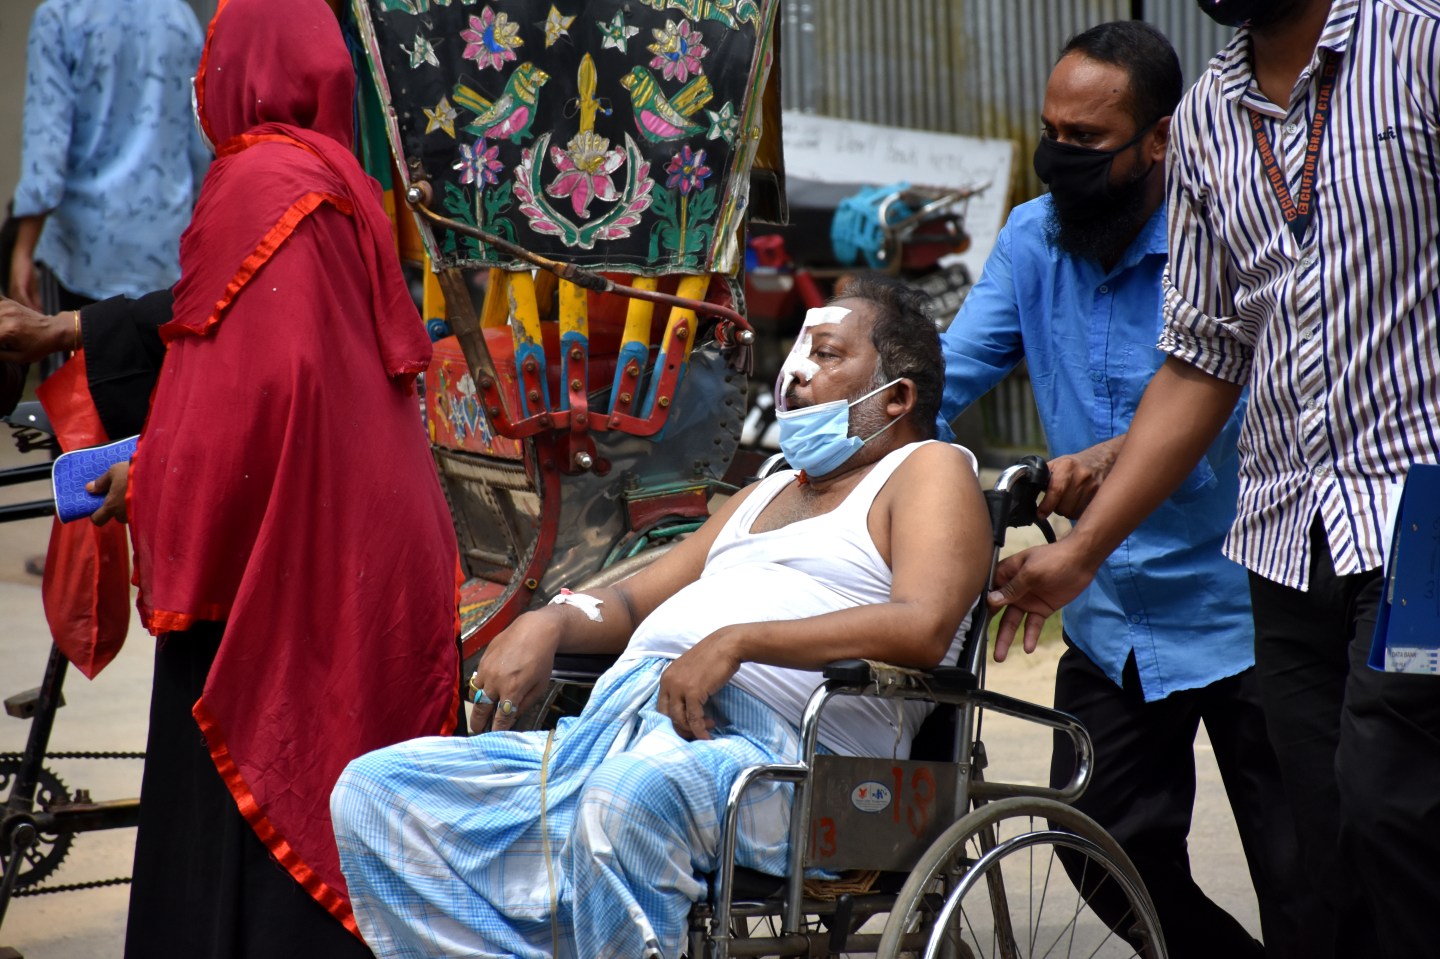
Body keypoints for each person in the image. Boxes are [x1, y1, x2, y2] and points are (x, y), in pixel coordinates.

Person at [330, 279, 991, 959]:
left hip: (790, 762)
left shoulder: (926, 469)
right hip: (621, 730)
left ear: (896, 397)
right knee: (375, 795)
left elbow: (924, 623)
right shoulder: (765, 493)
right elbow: (631, 601)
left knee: (626, 803)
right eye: (797, 350)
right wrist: (551, 621)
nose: (794, 374)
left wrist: (736, 643)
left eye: (824, 355)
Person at [987, 2, 1440, 957]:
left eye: (1087, 136)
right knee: (1321, 843)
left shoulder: (1419, 44)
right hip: (1283, 537)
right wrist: (1080, 558)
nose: (1061, 152)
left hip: (1422, 516)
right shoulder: (1206, 122)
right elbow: (1199, 361)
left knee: (1392, 802)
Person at [35, 0, 463, 955]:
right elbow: (272, 374)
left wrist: (147, 482)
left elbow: (250, 398)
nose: (199, 91)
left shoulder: (256, 176)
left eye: (210, 66)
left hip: (287, 550)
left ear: (246, 69)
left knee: (260, 782)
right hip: (359, 532)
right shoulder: (337, 176)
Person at [939, 20, 1309, 957]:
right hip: (1110, 613)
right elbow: (943, 381)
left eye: (1086, 141)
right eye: (1050, 132)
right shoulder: (1031, 239)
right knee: (1101, 843)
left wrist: (1101, 460)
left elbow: (1245, 391)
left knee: (1305, 865)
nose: (1058, 156)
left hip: (1247, 601)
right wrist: (861, 436)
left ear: (1161, 139)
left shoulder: (1218, 235)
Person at [10, 0, 209, 314]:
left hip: (81, 257)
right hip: (164, 254)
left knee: (74, 361)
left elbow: (45, 151)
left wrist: (21, 251)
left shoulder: (60, 16)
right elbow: (200, 147)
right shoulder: (179, 17)